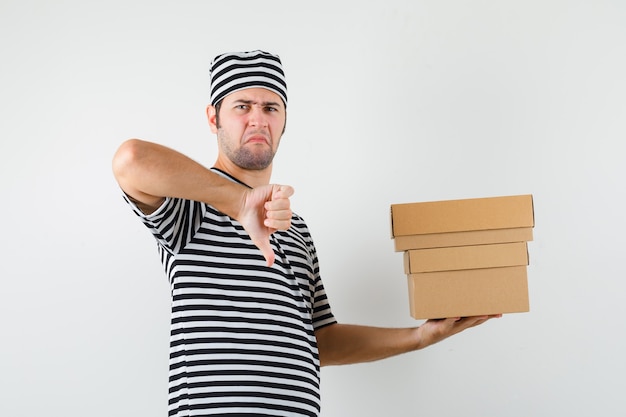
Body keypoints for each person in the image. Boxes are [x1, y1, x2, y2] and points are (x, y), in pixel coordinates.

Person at [112, 50, 500, 417]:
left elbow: (322, 340)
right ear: (213, 118)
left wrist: (419, 337)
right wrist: (240, 202)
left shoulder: (296, 229)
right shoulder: (191, 205)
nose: (257, 119)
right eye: (241, 106)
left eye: (270, 107)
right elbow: (130, 161)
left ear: (284, 120)